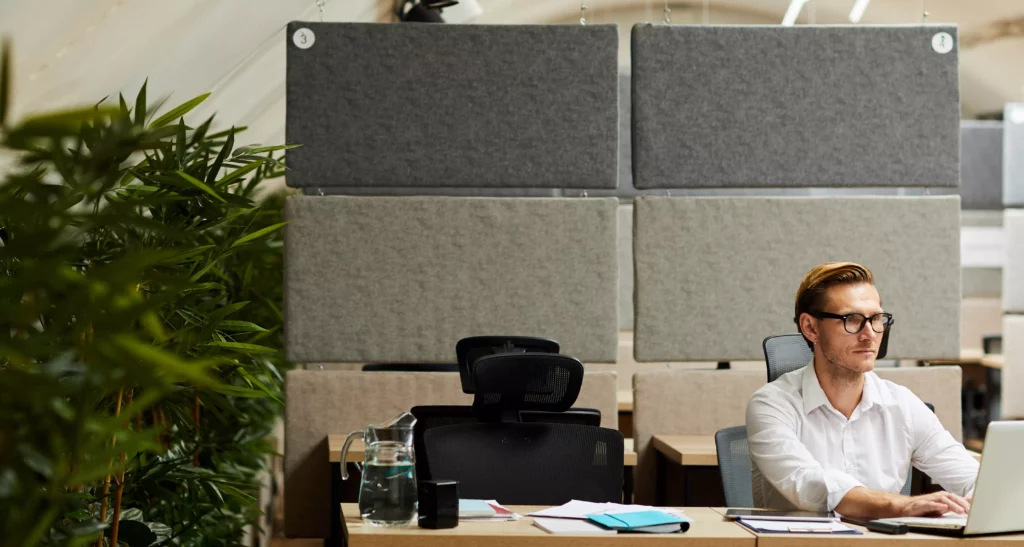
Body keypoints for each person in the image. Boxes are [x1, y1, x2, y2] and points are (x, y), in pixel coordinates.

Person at [746, 262, 979, 519]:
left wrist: (979, 500)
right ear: (811, 328)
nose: (869, 334)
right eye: (852, 320)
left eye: (876, 319)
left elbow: (973, 477)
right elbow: (810, 484)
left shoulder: (902, 405)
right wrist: (902, 505)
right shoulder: (772, 405)